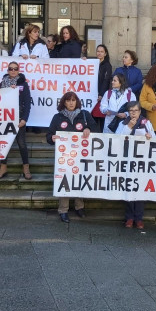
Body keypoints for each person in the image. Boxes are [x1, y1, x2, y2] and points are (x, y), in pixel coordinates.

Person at [47, 92, 99, 223]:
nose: (71, 103)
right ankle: (63, 210)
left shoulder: (84, 115)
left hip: (81, 155)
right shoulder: (57, 117)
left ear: (77, 102)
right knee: (64, 181)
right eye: (68, 100)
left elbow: (96, 130)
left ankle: (79, 207)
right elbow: (49, 136)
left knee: (79, 179)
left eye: (73, 100)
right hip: (64, 157)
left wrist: (88, 129)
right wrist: (52, 138)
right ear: (64, 102)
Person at [115, 101, 155, 229]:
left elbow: (155, 140)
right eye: (131, 110)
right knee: (128, 189)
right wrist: (129, 128)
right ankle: (129, 217)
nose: (133, 113)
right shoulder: (123, 123)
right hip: (127, 161)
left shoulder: (146, 123)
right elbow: (117, 139)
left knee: (140, 190)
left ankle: (139, 218)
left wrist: (150, 137)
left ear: (140, 112)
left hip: (142, 162)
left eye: (135, 110)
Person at [0, 62, 32, 180]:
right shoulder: (2, 84)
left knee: (21, 144)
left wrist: (24, 119)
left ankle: (26, 168)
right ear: (8, 70)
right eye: (11, 69)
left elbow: (27, 103)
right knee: (3, 143)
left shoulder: (23, 84)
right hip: (5, 118)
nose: (13, 71)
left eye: (15, 69)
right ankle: (3, 168)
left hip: (19, 118)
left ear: (18, 71)